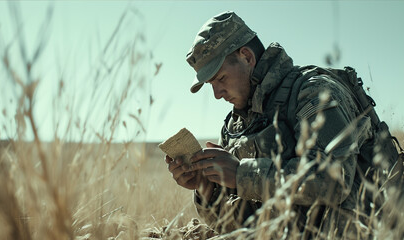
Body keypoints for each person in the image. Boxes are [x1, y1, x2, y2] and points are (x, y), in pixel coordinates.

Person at [164, 11, 400, 239]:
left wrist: (240, 174)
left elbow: (333, 181)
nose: (216, 94)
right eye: (210, 85)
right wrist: (206, 189)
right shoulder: (237, 126)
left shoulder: (313, 92)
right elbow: (233, 225)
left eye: (221, 78)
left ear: (247, 57)